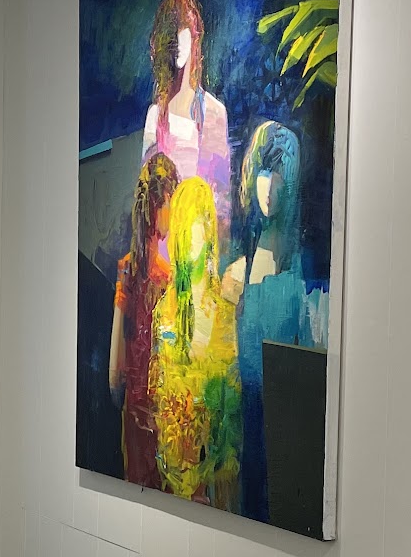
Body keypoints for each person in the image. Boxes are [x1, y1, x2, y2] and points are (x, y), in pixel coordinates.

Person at [221, 121, 323, 520]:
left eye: (278, 173)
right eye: (263, 172)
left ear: (290, 180)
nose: (268, 185)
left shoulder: (301, 264)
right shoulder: (240, 261)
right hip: (245, 413)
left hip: (285, 417)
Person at [150, 177, 240, 509]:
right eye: (183, 222)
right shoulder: (165, 312)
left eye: (198, 220)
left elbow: (233, 405)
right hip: (176, 480)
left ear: (209, 228)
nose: (190, 232)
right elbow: (158, 400)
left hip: (218, 484)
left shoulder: (225, 311)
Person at [109, 152, 179, 487]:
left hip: (137, 408)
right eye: (171, 203)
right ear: (159, 203)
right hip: (152, 411)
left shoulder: (128, 268)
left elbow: (114, 367)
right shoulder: (164, 276)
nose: (174, 214)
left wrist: (117, 386)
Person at [141, 0, 231, 237]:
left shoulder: (214, 113)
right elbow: (146, 197)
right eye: (171, 34)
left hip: (199, 243)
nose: (177, 43)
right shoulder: (155, 117)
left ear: (194, 35)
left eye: (183, 30)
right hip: (163, 244)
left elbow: (222, 203)